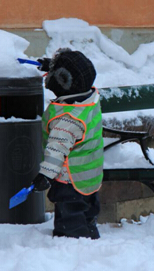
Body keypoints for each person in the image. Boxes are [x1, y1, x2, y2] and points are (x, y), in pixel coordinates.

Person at [31, 48, 104, 239]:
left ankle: (73, 248)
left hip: (69, 179)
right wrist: (51, 66)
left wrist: (45, 175)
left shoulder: (67, 119)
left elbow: (56, 149)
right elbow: (76, 76)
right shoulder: (89, 101)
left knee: (69, 221)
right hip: (89, 175)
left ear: (63, 81)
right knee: (86, 213)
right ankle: (90, 237)